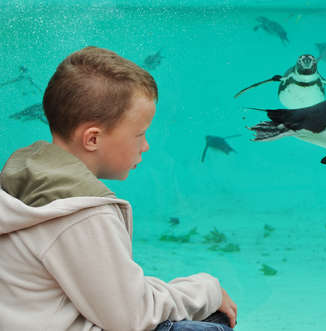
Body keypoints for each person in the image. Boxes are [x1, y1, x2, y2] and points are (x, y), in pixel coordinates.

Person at [0, 47, 237, 331]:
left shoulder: (25, 179)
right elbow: (130, 317)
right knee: (215, 325)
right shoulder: (81, 214)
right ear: (93, 139)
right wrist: (207, 290)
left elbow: (109, 292)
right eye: (139, 134)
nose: (145, 145)